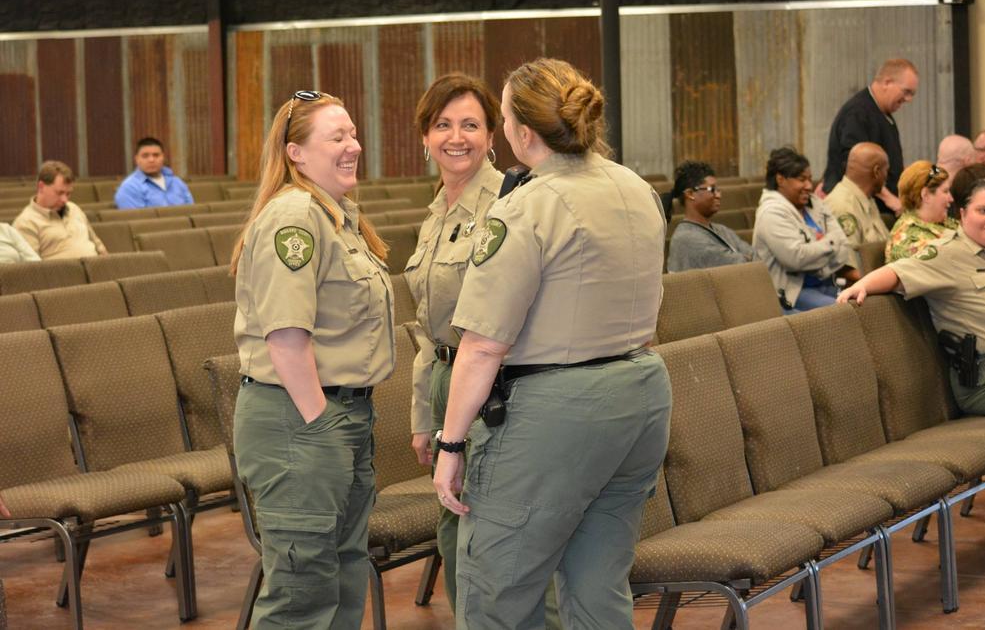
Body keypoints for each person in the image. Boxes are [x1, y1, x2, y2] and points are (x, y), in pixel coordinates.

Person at [432, 58, 671, 629]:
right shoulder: (634, 186)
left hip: (559, 414)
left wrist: (451, 444)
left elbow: (484, 345)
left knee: (498, 590)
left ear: (521, 132)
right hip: (639, 393)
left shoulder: (526, 206)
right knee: (597, 583)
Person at [230, 91, 393, 629]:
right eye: (336, 137)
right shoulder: (295, 216)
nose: (353, 146)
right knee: (302, 597)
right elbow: (286, 336)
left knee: (343, 578)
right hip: (299, 420)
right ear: (295, 152)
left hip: (339, 416)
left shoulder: (337, 212)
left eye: (352, 134)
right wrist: (321, 423)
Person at [403, 73, 506, 612]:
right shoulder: (436, 212)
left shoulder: (511, 203)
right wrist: (426, 411)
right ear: (425, 136)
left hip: (492, 389)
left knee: (496, 536)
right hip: (447, 383)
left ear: (493, 135)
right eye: (442, 124)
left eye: (471, 124)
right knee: (453, 532)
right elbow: (427, 328)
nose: (456, 137)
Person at [838, 178, 985, 416]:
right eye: (983, 210)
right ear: (963, 214)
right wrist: (862, 284)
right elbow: (899, 271)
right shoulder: (948, 253)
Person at [753, 147, 859, 312]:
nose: (809, 186)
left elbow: (843, 246)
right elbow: (796, 258)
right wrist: (830, 244)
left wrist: (816, 251)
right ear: (780, 179)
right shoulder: (771, 213)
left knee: (863, 301)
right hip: (792, 293)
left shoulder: (814, 203)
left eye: (810, 179)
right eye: (802, 179)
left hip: (826, 283)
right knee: (844, 311)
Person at [821, 58, 919, 214]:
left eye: (912, 94)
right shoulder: (858, 114)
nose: (909, 99)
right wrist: (891, 200)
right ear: (887, 82)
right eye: (906, 92)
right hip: (856, 209)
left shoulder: (884, 114)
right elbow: (859, 167)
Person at [666, 159, 757, 272]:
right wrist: (746, 258)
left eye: (718, 190)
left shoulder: (722, 229)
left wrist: (748, 259)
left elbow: (755, 257)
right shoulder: (685, 239)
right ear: (690, 194)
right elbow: (740, 266)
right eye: (712, 189)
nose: (718, 195)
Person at [13, 160, 107, 259]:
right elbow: (32, 269)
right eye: (59, 193)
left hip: (96, 270)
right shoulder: (25, 223)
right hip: (60, 273)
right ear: (41, 187)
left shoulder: (74, 208)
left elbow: (98, 245)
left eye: (68, 193)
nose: (65, 200)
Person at [885, 160, 958, 262]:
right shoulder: (908, 239)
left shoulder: (942, 221)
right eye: (945, 191)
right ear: (926, 195)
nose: (951, 198)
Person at [823, 142, 891, 250]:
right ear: (876, 172)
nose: (887, 177)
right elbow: (847, 266)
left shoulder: (867, 199)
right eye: (886, 171)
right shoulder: (843, 207)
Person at [114, 137, 194, 209]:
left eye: (156, 155)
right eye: (145, 156)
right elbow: (137, 222)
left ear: (163, 157)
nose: (151, 160)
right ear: (137, 159)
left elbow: (191, 210)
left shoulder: (177, 182)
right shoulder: (129, 188)